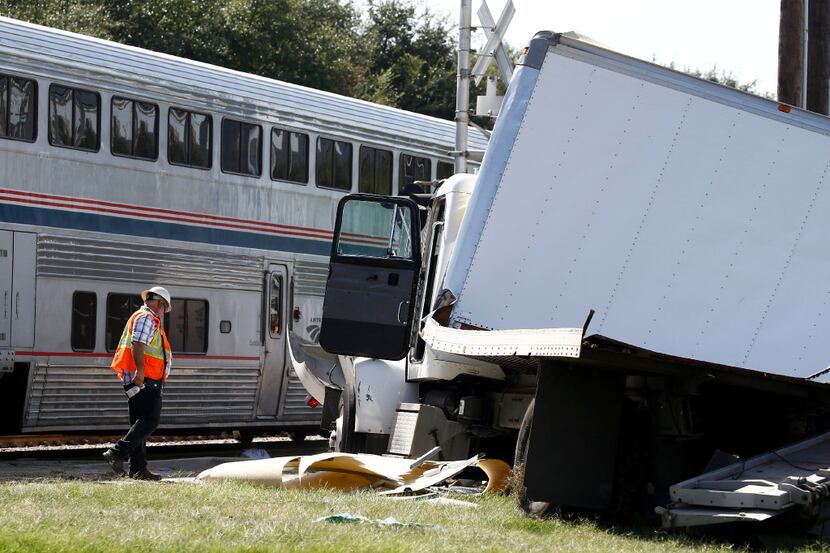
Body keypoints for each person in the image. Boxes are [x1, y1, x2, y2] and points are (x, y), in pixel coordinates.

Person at [103, 286, 173, 480]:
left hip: (144, 379)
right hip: (144, 379)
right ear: (160, 303)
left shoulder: (147, 318)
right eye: (164, 308)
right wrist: (140, 372)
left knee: (139, 423)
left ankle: (138, 469)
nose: (163, 312)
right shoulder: (145, 318)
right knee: (151, 420)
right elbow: (138, 343)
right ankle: (118, 452)